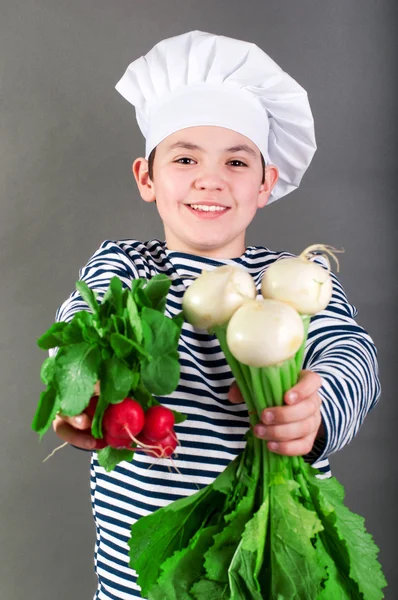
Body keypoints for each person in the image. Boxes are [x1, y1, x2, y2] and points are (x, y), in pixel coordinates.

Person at [49, 30, 381, 600]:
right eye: (184, 159)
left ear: (265, 184)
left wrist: (318, 404)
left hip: (275, 553)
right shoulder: (125, 267)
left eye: (236, 160)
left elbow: (353, 352)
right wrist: (81, 386)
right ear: (147, 178)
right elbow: (85, 321)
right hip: (143, 582)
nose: (210, 178)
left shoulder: (290, 279)